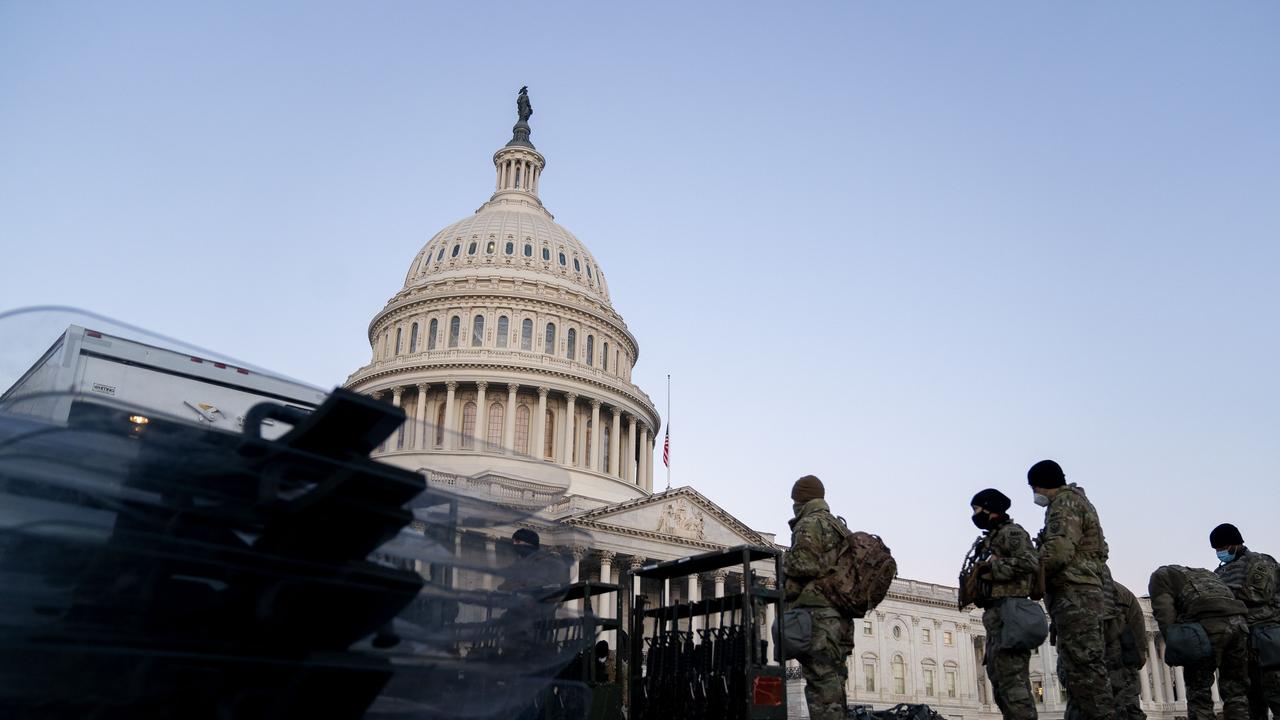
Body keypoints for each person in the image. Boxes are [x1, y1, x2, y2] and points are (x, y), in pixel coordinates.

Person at [1028, 459, 1116, 720]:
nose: (1034, 494)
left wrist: (1029, 568)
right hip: (1080, 593)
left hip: (1076, 595)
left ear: (1041, 485)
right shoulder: (1079, 502)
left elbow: (1058, 551)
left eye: (1033, 488)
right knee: (1075, 674)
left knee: (1086, 674)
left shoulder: (1064, 503)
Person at [965, 488, 1041, 720]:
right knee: (1000, 683)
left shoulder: (1012, 533)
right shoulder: (991, 538)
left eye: (977, 509)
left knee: (1014, 686)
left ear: (990, 508)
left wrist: (992, 569)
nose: (975, 515)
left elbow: (1031, 562)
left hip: (1012, 613)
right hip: (996, 615)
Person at [783, 475, 854, 720]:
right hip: (841, 618)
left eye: (795, 499)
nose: (793, 505)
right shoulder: (838, 526)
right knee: (834, 683)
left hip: (819, 617)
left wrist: (785, 561)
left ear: (801, 499)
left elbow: (804, 564)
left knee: (821, 687)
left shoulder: (810, 523)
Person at [1148, 564, 1250, 720]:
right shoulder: (1207, 575)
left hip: (1207, 627)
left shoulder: (1159, 577)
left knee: (1199, 691)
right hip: (1239, 626)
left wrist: (1177, 644)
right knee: (1236, 691)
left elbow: (1164, 613)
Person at [1211, 523, 1280, 720]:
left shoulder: (1260, 562)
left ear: (1235, 544)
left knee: (1276, 695)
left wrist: (1223, 598)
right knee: (1251, 704)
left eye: (1222, 548)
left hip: (1267, 639)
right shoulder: (1219, 572)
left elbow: (1257, 594)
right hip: (1240, 644)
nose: (1220, 552)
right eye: (1217, 550)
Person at [1105, 575, 1148, 720]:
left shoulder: (1074, 588)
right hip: (1125, 660)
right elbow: (1138, 627)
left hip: (1092, 662)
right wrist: (1139, 658)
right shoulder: (1123, 592)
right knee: (1130, 708)